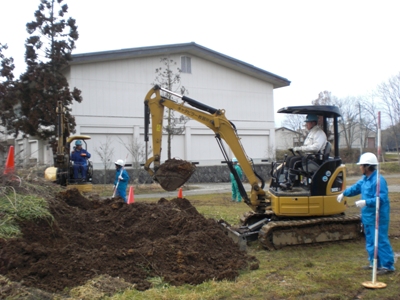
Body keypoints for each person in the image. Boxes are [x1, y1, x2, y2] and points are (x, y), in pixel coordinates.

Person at [337, 152, 395, 275]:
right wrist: (344, 193)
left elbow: (381, 199)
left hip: (378, 217)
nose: (359, 167)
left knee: (380, 240)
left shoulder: (379, 180)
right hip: (368, 217)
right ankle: (374, 263)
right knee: (370, 241)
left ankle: (388, 266)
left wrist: (366, 202)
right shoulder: (365, 179)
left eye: (361, 165)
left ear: (367, 166)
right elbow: (355, 188)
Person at [280, 114, 327, 190]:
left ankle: (290, 183)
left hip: (315, 159)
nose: (306, 124)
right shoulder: (312, 132)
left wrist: (301, 149)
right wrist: (298, 148)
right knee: (289, 159)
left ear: (313, 123)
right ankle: (285, 180)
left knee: (294, 161)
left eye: (307, 123)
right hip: (309, 157)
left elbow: (316, 148)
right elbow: (307, 146)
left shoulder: (319, 133)